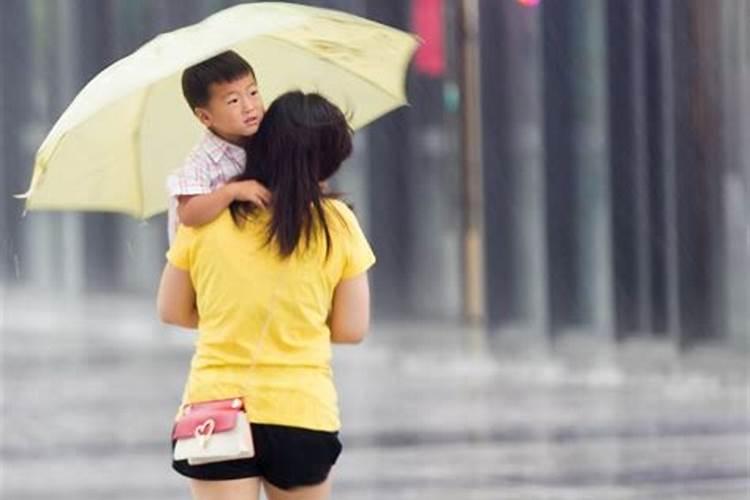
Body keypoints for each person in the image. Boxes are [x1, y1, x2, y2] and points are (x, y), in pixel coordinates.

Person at [157, 91, 375, 500]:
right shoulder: (338, 225)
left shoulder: (209, 216)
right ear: (327, 160)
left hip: (215, 411)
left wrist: (233, 316)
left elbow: (171, 309)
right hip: (300, 411)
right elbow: (351, 329)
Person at [166, 50, 271, 242]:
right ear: (205, 117)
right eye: (233, 101)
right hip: (205, 260)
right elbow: (188, 214)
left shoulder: (269, 135)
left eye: (253, 92)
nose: (249, 107)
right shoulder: (201, 162)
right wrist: (232, 192)